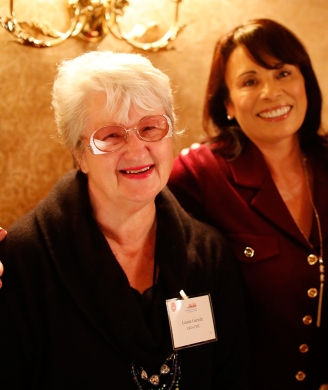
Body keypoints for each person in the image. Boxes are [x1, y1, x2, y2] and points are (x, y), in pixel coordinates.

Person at [0, 51, 249, 389]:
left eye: (150, 128)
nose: (136, 150)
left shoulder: (210, 253)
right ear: (79, 154)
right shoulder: (25, 259)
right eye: (111, 136)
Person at [167, 19, 328, 389]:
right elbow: (167, 289)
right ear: (227, 103)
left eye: (283, 73)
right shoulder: (197, 175)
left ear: (304, 82)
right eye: (250, 81)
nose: (271, 92)